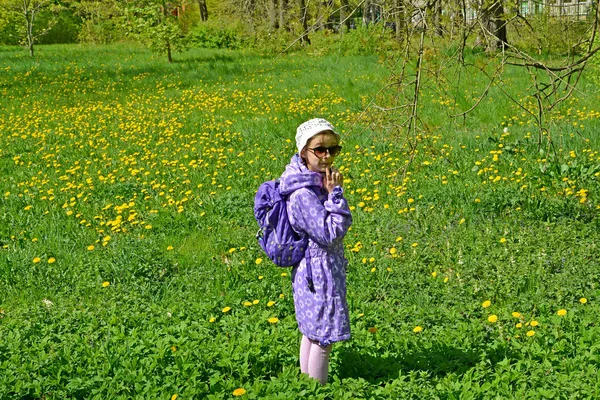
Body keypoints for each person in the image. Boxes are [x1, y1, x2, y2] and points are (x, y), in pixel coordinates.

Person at [278, 118, 353, 385]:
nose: (328, 156)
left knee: (312, 332)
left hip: (314, 271)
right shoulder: (303, 194)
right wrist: (336, 195)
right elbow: (329, 234)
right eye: (320, 149)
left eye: (334, 149)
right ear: (303, 152)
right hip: (318, 274)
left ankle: (307, 386)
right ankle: (317, 391)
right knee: (323, 337)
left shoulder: (310, 181)